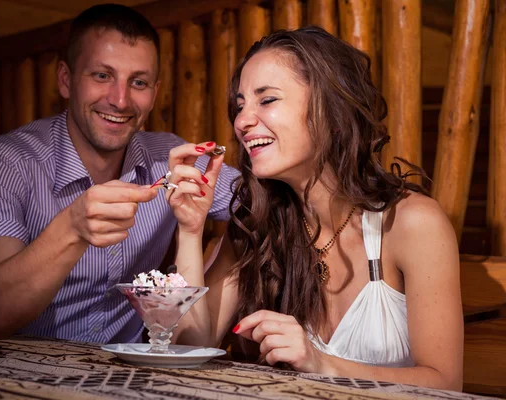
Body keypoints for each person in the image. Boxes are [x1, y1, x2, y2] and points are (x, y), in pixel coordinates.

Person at [165, 27, 463, 390]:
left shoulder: (411, 224)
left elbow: (445, 385)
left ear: (330, 108)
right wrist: (190, 230)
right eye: (240, 105)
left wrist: (322, 363)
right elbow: (191, 347)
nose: (242, 121)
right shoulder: (256, 223)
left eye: (267, 100)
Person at [0, 4, 238, 344]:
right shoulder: (5, 161)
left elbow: (266, 200)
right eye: (102, 76)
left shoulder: (170, 158)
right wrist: (72, 226)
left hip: (132, 378)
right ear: (66, 80)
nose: (120, 100)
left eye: (137, 82)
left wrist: (227, 255)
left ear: (154, 95)